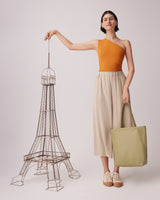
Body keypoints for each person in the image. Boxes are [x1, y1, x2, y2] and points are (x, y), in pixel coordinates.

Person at [44, 10, 135, 188]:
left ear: (116, 22)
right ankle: (106, 171)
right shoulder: (97, 43)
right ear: (102, 25)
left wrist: (126, 89)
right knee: (103, 125)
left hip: (119, 83)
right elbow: (71, 46)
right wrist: (55, 32)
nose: (108, 21)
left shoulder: (125, 43)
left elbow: (131, 68)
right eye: (105, 19)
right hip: (102, 84)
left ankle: (116, 171)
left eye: (111, 19)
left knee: (121, 125)